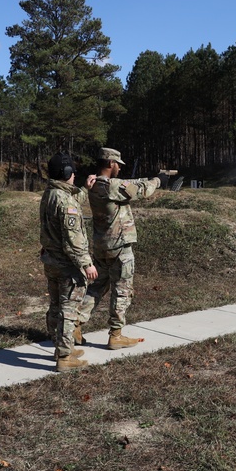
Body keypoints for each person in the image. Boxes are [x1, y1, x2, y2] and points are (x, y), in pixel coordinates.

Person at [76, 147, 168, 350]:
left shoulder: (93, 184)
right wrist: (158, 180)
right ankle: (116, 335)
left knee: (97, 287)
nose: (119, 168)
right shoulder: (111, 186)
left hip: (102, 245)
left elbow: (131, 183)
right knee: (122, 290)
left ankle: (76, 324)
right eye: (117, 164)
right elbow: (141, 191)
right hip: (119, 246)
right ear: (110, 163)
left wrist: (148, 178)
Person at [39, 152, 98, 372]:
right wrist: (87, 264)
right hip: (67, 265)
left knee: (56, 306)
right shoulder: (64, 201)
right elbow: (74, 238)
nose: (74, 175)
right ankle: (64, 357)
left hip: (52, 261)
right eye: (72, 172)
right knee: (69, 309)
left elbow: (70, 205)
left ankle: (60, 347)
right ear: (66, 173)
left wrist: (85, 189)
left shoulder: (51, 194)